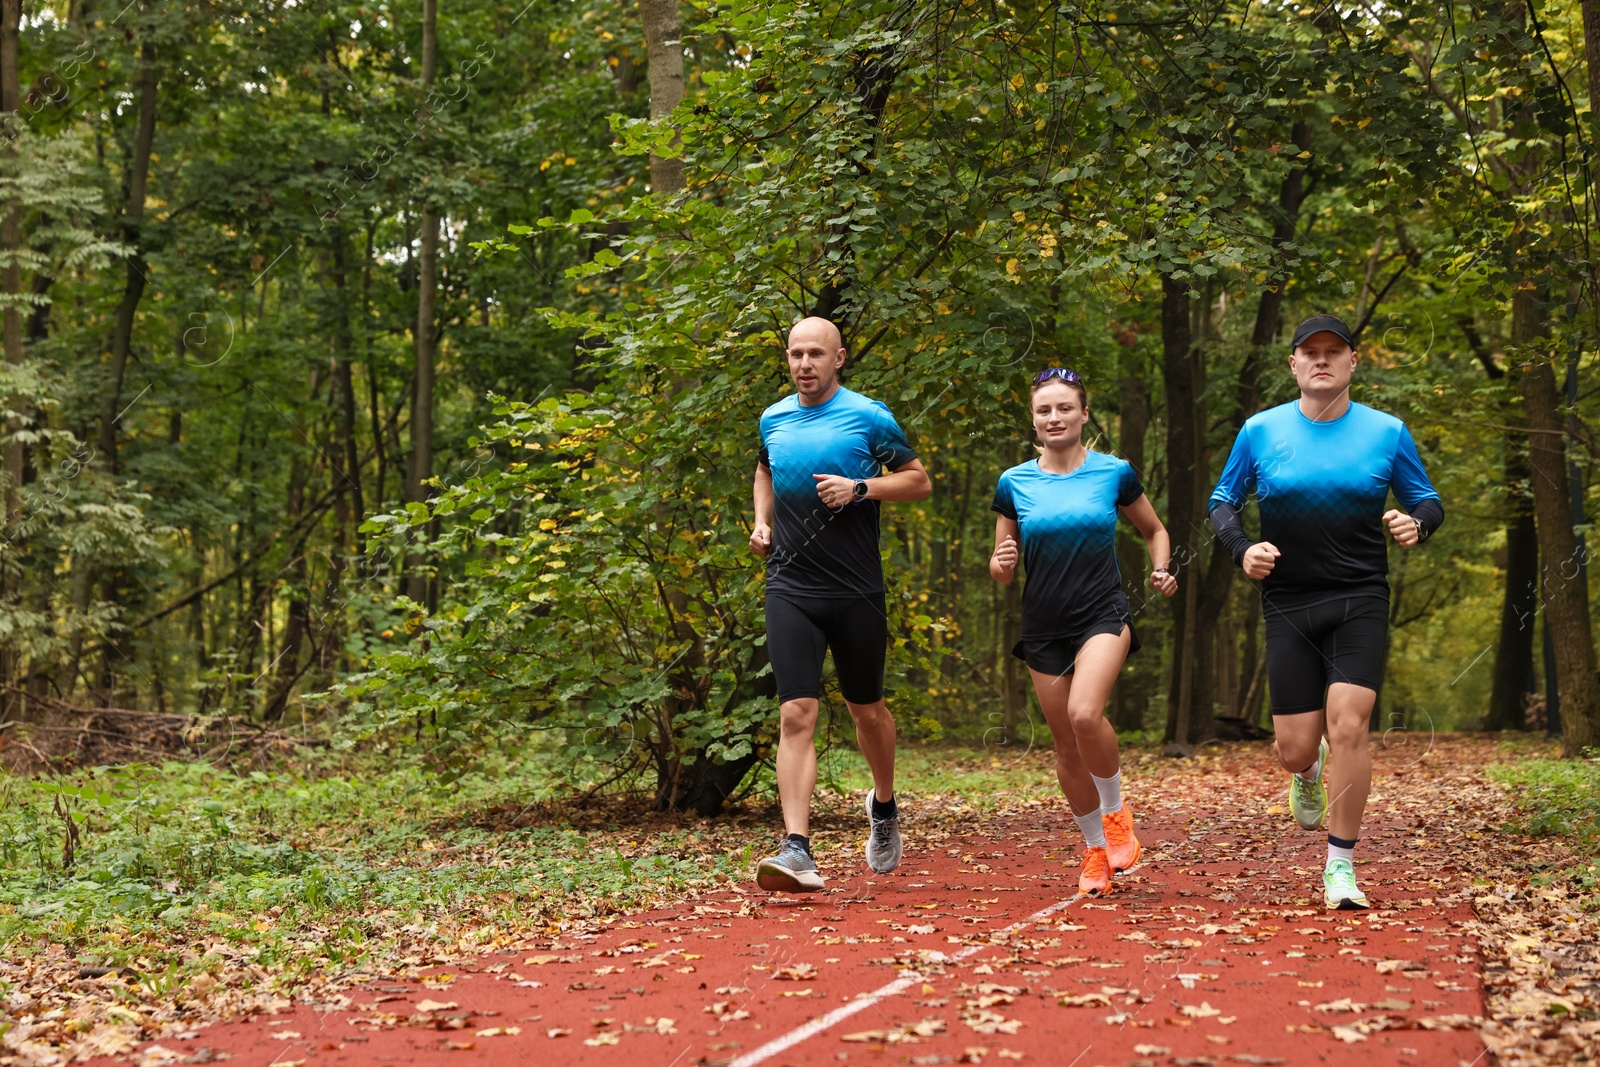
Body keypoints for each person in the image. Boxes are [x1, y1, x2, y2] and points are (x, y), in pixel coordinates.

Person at [1209, 313, 1443, 910]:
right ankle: (1305, 772)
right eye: (1309, 351)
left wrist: (1416, 522)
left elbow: (1427, 499)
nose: (1321, 360)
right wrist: (1243, 550)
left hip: (1360, 595)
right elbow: (1222, 504)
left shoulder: (1386, 432)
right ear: (1292, 364)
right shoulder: (1260, 431)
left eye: (1333, 352)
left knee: (1350, 725)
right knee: (1296, 745)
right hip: (1288, 602)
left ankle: (1341, 866)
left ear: (1352, 362)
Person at [748, 316, 932, 892]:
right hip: (790, 586)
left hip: (855, 590)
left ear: (840, 358)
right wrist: (761, 522)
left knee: (866, 711)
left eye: (815, 355)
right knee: (796, 712)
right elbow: (763, 469)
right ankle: (797, 848)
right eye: (795, 354)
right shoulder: (773, 418)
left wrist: (862, 488)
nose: (804, 364)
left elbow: (918, 480)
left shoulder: (869, 415)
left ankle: (883, 804)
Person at [989, 367, 1177, 897]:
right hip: (1042, 624)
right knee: (1066, 748)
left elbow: (1154, 530)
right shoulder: (1014, 482)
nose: (1054, 417)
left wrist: (1160, 568)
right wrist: (1002, 562)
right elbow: (1002, 568)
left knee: (1084, 713)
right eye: (1044, 410)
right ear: (1033, 419)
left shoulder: (1114, 473)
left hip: (1101, 613)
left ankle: (1117, 815)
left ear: (1084, 414)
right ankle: (1096, 849)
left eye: (1064, 408)